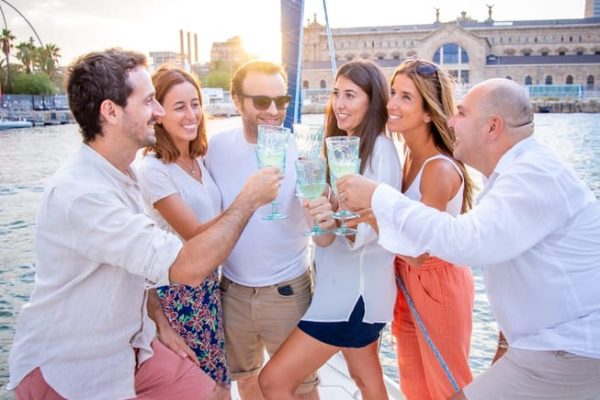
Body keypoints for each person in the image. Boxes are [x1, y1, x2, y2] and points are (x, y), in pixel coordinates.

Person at [7, 49, 281, 400]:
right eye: (150, 101)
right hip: (69, 369)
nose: (159, 112)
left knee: (212, 392)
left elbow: (140, 266)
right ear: (111, 111)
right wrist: (249, 200)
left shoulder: (125, 174)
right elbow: (186, 266)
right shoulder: (82, 194)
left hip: (131, 348)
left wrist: (157, 322)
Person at [337, 78, 600, 400]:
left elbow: (469, 241)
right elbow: (522, 264)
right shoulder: (513, 174)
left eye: (461, 113)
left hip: (568, 349)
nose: (450, 120)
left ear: (492, 127)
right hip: (544, 346)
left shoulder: (533, 175)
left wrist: (379, 196)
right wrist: (505, 344)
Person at [259, 60, 402, 400]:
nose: (339, 103)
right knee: (367, 381)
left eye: (351, 95)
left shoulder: (379, 150)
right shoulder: (343, 147)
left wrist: (336, 219)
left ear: (372, 101)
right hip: (342, 288)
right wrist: (317, 208)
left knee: (273, 381)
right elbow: (324, 240)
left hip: (355, 295)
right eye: (336, 93)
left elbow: (376, 227)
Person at [203, 60, 319, 400]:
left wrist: (325, 208)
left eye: (281, 101)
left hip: (288, 291)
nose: (273, 111)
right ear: (237, 101)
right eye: (261, 101)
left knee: (301, 388)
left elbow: (320, 224)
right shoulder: (216, 148)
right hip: (233, 291)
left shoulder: (305, 147)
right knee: (247, 382)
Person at [136, 65, 239, 399]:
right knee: (207, 391)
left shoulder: (198, 159)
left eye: (195, 103)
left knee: (220, 386)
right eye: (179, 106)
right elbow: (194, 234)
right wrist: (247, 205)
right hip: (177, 295)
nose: (192, 113)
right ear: (158, 113)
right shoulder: (153, 169)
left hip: (208, 289)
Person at [386, 58, 475, 400]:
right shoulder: (405, 156)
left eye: (406, 97)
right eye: (393, 93)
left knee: (448, 386)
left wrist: (368, 214)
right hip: (407, 279)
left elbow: (418, 251)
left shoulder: (438, 168)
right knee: (414, 387)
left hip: (436, 279)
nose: (392, 103)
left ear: (428, 112)